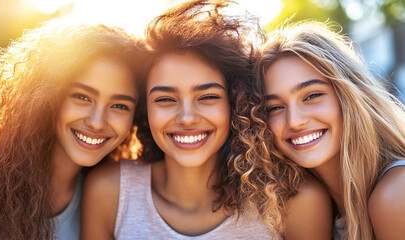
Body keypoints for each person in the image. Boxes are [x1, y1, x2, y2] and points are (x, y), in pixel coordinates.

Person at [81, 1, 331, 239]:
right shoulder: (110, 193)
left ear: (235, 104)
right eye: (165, 99)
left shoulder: (295, 201)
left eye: (208, 97)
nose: (187, 117)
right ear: (145, 110)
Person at [0, 18, 143, 240]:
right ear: (45, 97)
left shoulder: (113, 200)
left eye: (120, 105)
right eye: (82, 97)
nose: (97, 122)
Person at [255, 21, 405, 240]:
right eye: (275, 108)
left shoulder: (395, 193)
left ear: (349, 94)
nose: (295, 121)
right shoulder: (300, 205)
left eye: (312, 96)